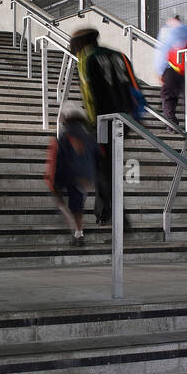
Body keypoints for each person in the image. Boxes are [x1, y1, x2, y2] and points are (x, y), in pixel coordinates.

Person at [68, 27, 145, 226]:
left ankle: (119, 216)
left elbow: (91, 96)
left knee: (103, 170)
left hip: (103, 123)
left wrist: (93, 126)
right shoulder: (120, 56)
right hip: (124, 120)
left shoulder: (86, 59)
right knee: (106, 167)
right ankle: (103, 212)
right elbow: (136, 89)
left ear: (79, 44)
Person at [44, 103, 97, 246]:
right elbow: (95, 155)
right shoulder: (89, 135)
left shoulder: (64, 134)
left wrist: (55, 179)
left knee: (60, 202)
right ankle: (79, 233)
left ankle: (73, 229)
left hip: (67, 173)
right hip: (84, 175)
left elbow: (60, 157)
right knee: (78, 205)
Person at [154, 14, 187, 134]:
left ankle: (171, 124)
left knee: (169, 96)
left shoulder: (166, 31)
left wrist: (159, 71)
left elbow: (163, 50)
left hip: (171, 69)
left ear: (171, 20)